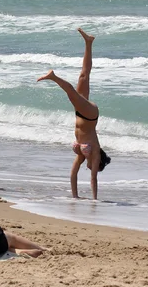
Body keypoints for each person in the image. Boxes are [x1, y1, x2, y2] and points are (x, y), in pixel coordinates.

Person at [37, 28, 110, 200]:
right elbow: (93, 179)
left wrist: (75, 197)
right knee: (72, 94)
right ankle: (54, 77)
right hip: (89, 115)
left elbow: (73, 174)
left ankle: (88, 42)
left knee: (84, 76)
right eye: (95, 168)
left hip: (81, 115)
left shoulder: (83, 155)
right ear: (98, 164)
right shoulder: (95, 153)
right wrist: (95, 200)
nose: (91, 169)